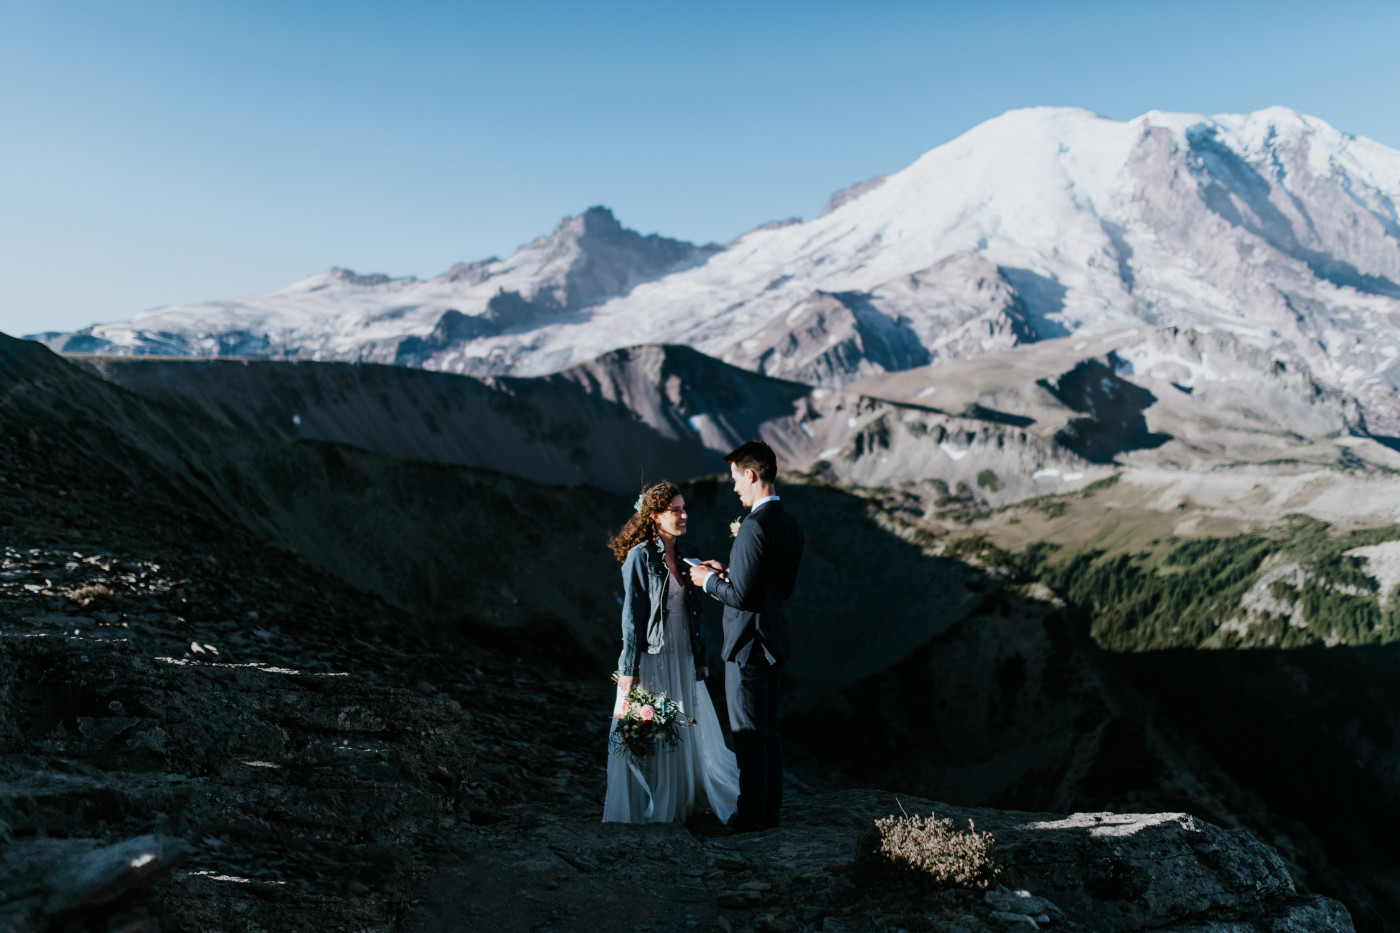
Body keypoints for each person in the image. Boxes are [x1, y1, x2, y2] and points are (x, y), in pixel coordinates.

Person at [602, 481, 739, 824]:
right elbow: (631, 616)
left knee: (687, 725)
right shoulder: (639, 557)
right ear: (654, 516)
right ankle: (654, 803)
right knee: (655, 727)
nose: (683, 515)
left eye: (683, 508)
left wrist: (702, 658)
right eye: (674, 510)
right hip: (653, 655)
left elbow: (697, 614)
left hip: (683, 654)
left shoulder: (690, 552)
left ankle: (686, 798)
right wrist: (629, 667)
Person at [689, 440, 804, 833]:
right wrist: (729, 573)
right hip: (773, 639)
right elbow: (777, 589)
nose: (735, 487)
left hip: (748, 645)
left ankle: (752, 817)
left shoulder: (754, 526)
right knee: (768, 732)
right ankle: (768, 811)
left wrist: (707, 582)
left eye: (737, 478)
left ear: (751, 475)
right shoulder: (789, 523)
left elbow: (742, 596)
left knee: (749, 735)